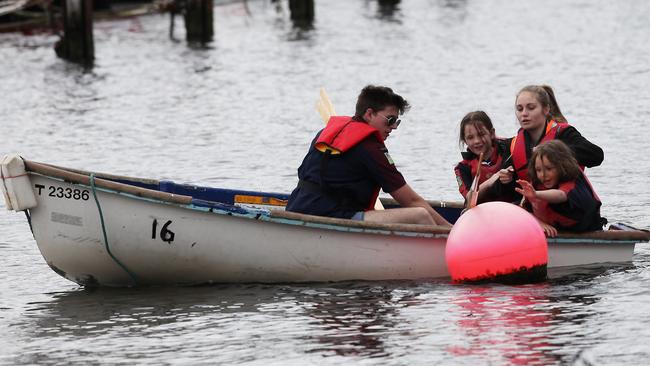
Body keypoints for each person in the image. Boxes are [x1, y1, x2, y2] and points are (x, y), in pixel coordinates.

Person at [286, 85, 451, 226]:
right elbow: (411, 201)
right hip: (331, 216)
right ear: (369, 114)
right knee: (420, 215)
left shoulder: (326, 133)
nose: (394, 127)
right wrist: (450, 230)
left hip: (296, 207)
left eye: (397, 121)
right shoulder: (370, 149)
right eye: (390, 119)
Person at [492, 85, 604, 200]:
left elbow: (597, 156)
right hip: (537, 211)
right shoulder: (513, 145)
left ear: (546, 109)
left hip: (571, 209)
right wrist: (506, 181)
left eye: (531, 108)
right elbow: (508, 192)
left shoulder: (564, 134)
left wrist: (554, 152)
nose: (524, 114)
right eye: (520, 109)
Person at [515, 140, 606, 237]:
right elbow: (523, 211)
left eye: (549, 169)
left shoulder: (571, 181)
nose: (543, 175)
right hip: (554, 227)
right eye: (538, 170)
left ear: (561, 166)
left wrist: (536, 194)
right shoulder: (536, 184)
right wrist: (539, 223)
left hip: (585, 227)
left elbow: (561, 195)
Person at [453, 111, 511, 204]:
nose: (476, 141)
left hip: (512, 208)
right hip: (482, 213)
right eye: (470, 137)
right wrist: (493, 179)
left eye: (481, 134)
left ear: (492, 133)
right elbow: (469, 199)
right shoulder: (462, 168)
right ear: (465, 141)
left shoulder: (510, 149)